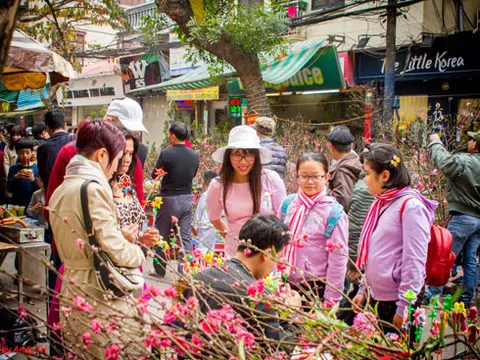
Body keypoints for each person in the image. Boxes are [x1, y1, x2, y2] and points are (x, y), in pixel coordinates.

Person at [48, 119, 154, 358]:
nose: (117, 166)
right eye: (117, 159)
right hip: (98, 293)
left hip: (72, 287)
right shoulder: (93, 189)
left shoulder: (61, 190)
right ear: (103, 155)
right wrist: (139, 252)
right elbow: (114, 247)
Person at [352, 143, 437, 332]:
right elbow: (374, 251)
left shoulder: (411, 206)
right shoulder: (381, 203)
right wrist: (363, 289)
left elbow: (414, 260)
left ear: (384, 176)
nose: (364, 179)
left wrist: (404, 307)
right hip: (378, 296)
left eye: (367, 173)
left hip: (397, 301)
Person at [183, 214, 300, 345]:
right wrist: (290, 315)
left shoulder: (196, 279)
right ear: (266, 254)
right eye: (276, 258)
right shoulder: (258, 297)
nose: (275, 265)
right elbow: (277, 350)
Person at [207, 125, 286, 257]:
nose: (243, 161)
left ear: (256, 156)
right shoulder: (218, 185)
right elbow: (214, 218)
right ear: (228, 157)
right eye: (237, 154)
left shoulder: (271, 179)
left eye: (249, 154)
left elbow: (282, 217)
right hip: (236, 254)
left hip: (265, 254)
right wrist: (232, 237)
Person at [281, 152, 348, 306]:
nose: (310, 182)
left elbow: (338, 259)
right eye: (304, 176)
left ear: (326, 177)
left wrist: (331, 300)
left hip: (315, 288)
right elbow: (276, 245)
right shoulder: (287, 204)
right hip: (285, 284)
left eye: (316, 176)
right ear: (296, 176)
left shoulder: (334, 213)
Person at [427, 131, 480, 306]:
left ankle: (432, 295)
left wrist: (435, 142)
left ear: (475, 144)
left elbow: (445, 162)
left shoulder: (466, 161)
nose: (469, 141)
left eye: (472, 139)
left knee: (445, 257)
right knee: (470, 260)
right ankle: (466, 299)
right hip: (477, 220)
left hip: (463, 218)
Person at [151, 121, 199, 276]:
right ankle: (185, 269)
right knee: (185, 236)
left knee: (161, 234)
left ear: (172, 136)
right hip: (186, 198)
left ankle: (159, 268)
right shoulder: (194, 155)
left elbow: (155, 174)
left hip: (168, 199)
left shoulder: (166, 153)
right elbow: (193, 174)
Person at [110, 128, 159, 245]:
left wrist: (143, 238)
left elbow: (133, 229)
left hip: (131, 257)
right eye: (123, 153)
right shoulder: (100, 188)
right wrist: (120, 236)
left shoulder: (125, 184)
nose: (127, 159)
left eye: (130, 154)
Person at [326, 126, 362, 213]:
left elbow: (342, 201)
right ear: (351, 145)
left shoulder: (342, 170)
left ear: (331, 147)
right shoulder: (355, 161)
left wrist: (323, 190)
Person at [37, 109, 70, 190]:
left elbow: (43, 176)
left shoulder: (43, 148)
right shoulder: (76, 141)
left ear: (47, 128)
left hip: (53, 194)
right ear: (65, 125)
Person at [193, 170, 220, 253]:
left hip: (204, 227)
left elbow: (199, 212)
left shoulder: (205, 195)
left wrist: (195, 225)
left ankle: (201, 265)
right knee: (211, 249)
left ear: (203, 181)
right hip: (214, 227)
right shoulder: (218, 194)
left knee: (201, 249)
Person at [7, 138, 39, 207]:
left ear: (32, 152)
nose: (24, 156)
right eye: (21, 153)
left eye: (27, 152)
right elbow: (9, 188)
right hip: (17, 204)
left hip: (33, 204)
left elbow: (41, 189)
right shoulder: (13, 168)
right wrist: (16, 177)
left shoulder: (37, 168)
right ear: (17, 153)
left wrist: (33, 180)